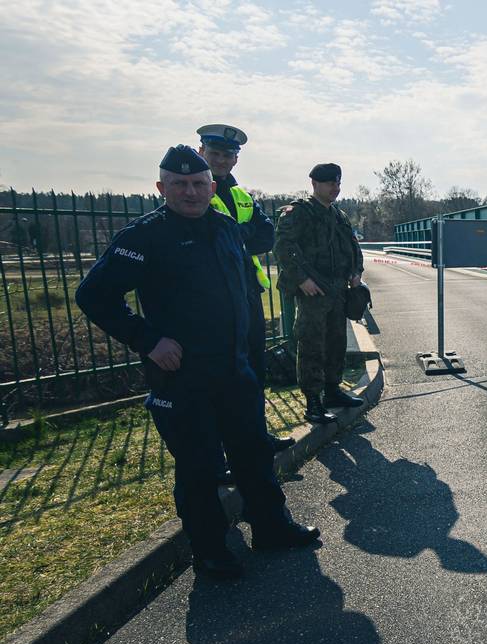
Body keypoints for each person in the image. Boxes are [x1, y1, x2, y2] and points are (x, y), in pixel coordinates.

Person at [76, 145, 321, 580]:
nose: (190, 192)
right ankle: (210, 552)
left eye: (197, 184)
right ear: (161, 187)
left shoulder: (226, 227)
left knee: (252, 455)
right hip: (181, 376)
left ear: (211, 187)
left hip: (235, 369)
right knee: (199, 467)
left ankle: (271, 528)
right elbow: (93, 296)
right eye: (179, 184)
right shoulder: (143, 236)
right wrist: (147, 340)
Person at [197, 123, 295, 470]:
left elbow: (266, 236)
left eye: (228, 155)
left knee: (253, 371)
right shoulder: (194, 190)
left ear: (235, 160)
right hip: (214, 300)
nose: (222, 160)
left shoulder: (240, 195)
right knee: (219, 376)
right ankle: (220, 453)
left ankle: (256, 436)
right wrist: (242, 234)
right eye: (215, 153)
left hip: (248, 296)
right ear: (201, 153)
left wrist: (239, 235)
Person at [273, 163, 364, 424]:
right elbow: (283, 248)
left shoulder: (339, 216)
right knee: (311, 344)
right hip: (313, 291)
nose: (335, 188)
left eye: (337, 183)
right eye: (329, 183)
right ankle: (313, 401)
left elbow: (353, 248)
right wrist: (302, 280)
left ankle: (332, 390)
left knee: (336, 342)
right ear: (314, 184)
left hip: (337, 289)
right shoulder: (299, 212)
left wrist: (356, 271)